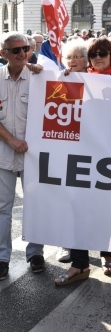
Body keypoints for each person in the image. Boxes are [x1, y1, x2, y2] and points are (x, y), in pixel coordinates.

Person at [55, 38, 111, 286]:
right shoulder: (77, 80)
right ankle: (80, 264)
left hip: (109, 160)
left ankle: (107, 255)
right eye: (93, 53)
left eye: (103, 53)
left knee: (107, 209)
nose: (97, 57)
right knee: (78, 209)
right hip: (81, 158)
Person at [0, 32, 45, 282]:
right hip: (3, 155)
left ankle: (36, 253)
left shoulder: (40, 77)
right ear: (3, 53)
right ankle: (2, 258)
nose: (21, 53)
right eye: (15, 50)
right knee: (2, 208)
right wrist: (11, 141)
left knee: (35, 205)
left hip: (34, 157)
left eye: (25, 48)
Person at [55, 39, 89, 264]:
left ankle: (103, 251)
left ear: (86, 61)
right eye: (69, 57)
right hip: (67, 150)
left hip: (93, 151)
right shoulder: (59, 80)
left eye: (78, 56)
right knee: (67, 201)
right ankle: (67, 245)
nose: (73, 61)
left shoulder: (100, 79)